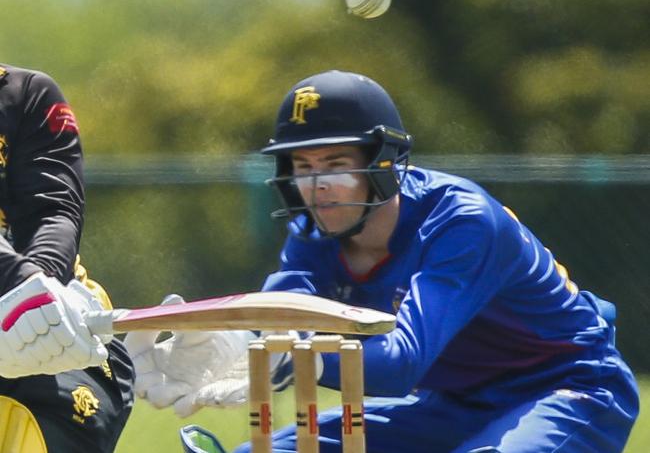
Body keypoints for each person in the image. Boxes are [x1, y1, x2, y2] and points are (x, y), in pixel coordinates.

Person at [127, 70, 639, 453]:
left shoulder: (462, 222)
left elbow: (400, 363)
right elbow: (283, 310)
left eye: (335, 164)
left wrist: (289, 357)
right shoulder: (313, 229)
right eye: (303, 166)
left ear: (384, 164)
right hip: (450, 403)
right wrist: (231, 342)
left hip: (569, 388)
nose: (317, 184)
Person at [0, 63, 134, 452]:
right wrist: (17, 283)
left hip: (46, 329)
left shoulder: (26, 94)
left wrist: (35, 296)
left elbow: (53, 212)